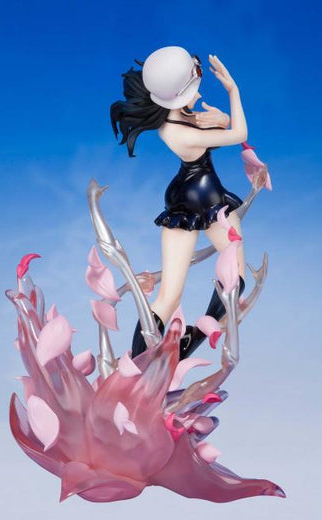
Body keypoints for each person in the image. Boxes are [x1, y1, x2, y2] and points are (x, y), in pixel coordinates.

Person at [110, 46, 248, 359]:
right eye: (194, 87)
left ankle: (159, 354)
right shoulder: (184, 133)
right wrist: (233, 91)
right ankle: (176, 347)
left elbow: (215, 128)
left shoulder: (176, 121)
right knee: (230, 279)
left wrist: (221, 120)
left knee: (176, 294)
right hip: (204, 199)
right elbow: (239, 133)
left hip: (190, 197)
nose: (198, 94)